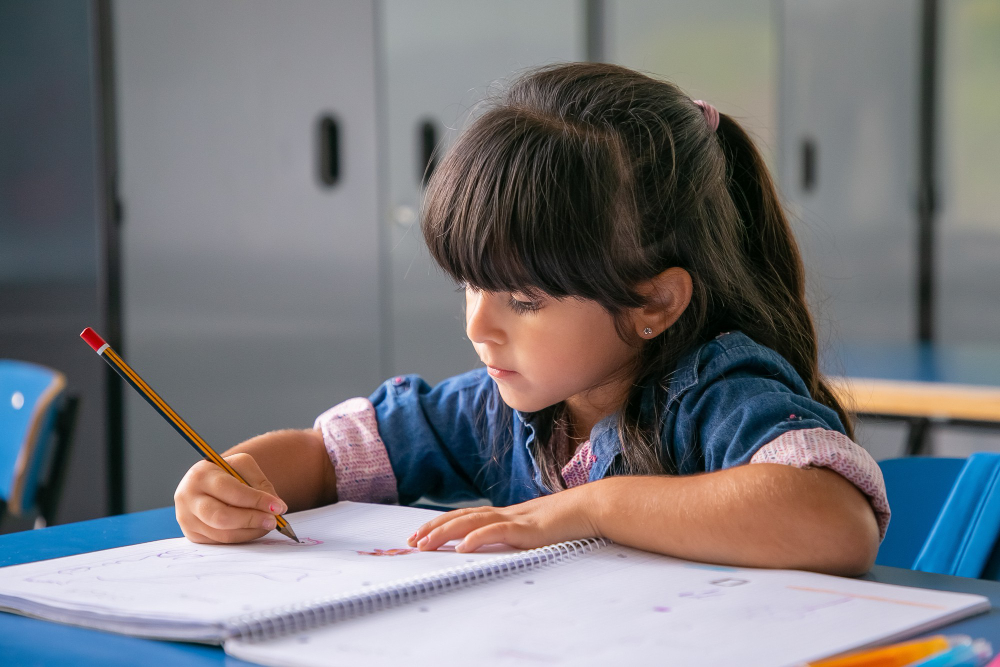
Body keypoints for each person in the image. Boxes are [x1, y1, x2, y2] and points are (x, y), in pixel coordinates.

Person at [174, 63, 887, 576]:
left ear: (653, 303)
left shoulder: (716, 389)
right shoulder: (500, 408)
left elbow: (833, 519)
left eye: (525, 300)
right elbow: (330, 457)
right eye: (469, 286)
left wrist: (596, 506)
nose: (479, 327)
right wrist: (238, 479)